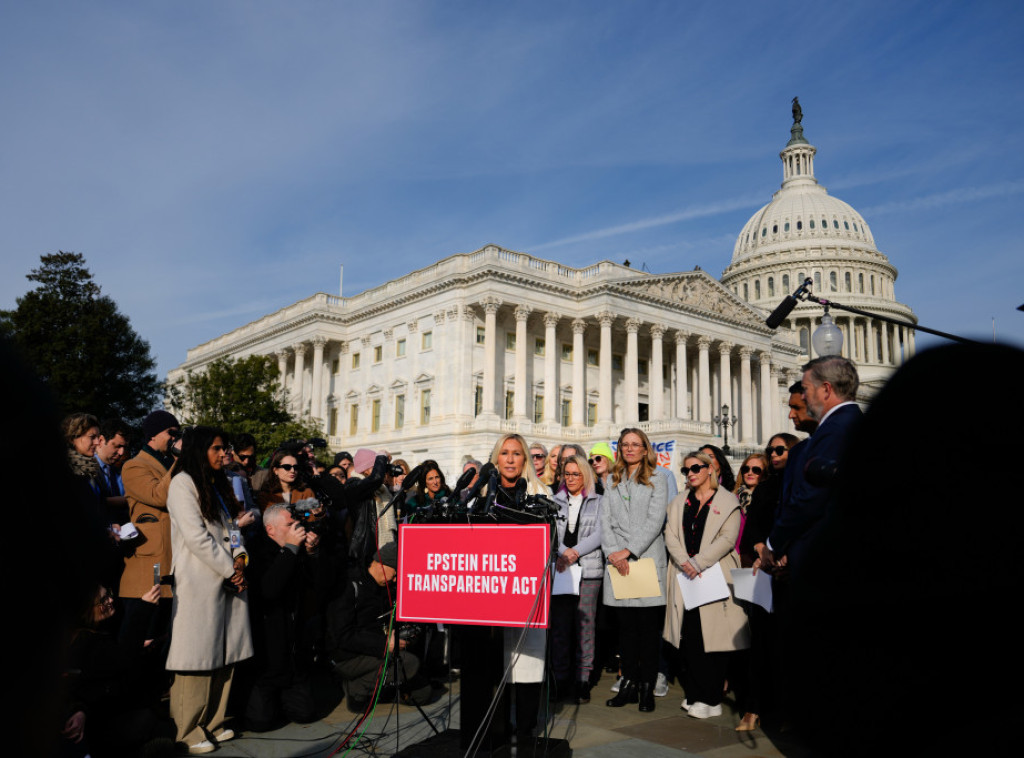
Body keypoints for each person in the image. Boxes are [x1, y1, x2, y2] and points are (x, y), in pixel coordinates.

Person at [165, 426, 254, 755]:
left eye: (223, 448)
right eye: (216, 448)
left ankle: (213, 722)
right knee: (197, 659)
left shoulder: (216, 483)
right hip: (199, 582)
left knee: (226, 656)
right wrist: (231, 569)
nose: (222, 453)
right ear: (199, 449)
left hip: (228, 579)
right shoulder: (182, 483)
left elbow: (233, 527)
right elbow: (196, 537)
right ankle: (188, 731)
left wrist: (240, 558)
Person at [664, 450, 749, 719]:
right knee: (689, 637)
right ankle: (694, 694)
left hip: (714, 575)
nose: (690, 474)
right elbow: (670, 535)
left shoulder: (727, 500)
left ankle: (711, 699)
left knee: (713, 639)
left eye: (696, 468)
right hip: (685, 576)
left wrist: (699, 562)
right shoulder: (679, 501)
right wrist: (685, 561)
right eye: (686, 470)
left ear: (710, 469)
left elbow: (728, 538)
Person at [763, 357, 862, 573]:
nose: (803, 397)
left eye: (806, 389)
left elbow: (811, 496)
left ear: (826, 389)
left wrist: (774, 543)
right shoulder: (851, 422)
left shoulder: (836, 429)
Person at [486, 433, 551, 736]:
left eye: (516, 453)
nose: (510, 459)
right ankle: (497, 727)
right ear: (496, 458)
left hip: (528, 591)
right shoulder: (484, 494)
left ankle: (526, 728)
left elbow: (551, 541)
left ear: (525, 458)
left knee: (527, 662)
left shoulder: (541, 492)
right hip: (493, 591)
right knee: (495, 663)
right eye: (504, 453)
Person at [601, 427, 668, 712]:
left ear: (644, 449)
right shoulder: (611, 480)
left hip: (646, 560)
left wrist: (628, 551)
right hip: (618, 563)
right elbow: (605, 521)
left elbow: (655, 520)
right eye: (625, 444)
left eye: (635, 444)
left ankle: (646, 687)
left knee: (648, 632)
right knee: (626, 632)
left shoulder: (658, 478)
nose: (629, 449)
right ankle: (628, 683)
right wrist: (613, 553)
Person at [734, 432, 797, 732]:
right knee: (760, 642)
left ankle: (785, 711)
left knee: (788, 646)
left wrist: (788, 555)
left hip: (792, 571)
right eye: (770, 449)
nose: (773, 454)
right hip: (765, 570)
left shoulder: (801, 484)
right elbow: (752, 529)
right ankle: (753, 707)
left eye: (780, 449)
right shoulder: (766, 487)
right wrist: (763, 549)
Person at [244, 504, 326, 731]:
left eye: (296, 524)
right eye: (289, 525)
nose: (295, 529)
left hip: (293, 650)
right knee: (260, 722)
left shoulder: (296, 550)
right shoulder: (256, 550)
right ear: (270, 529)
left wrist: (311, 553)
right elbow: (269, 590)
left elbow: (316, 585)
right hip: (266, 653)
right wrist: (289, 549)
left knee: (305, 713)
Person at [327, 541, 433, 712]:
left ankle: (379, 689)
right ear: (381, 564)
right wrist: (384, 644)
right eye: (395, 573)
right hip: (349, 656)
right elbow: (342, 636)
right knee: (410, 663)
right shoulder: (348, 585)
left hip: (377, 651)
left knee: (422, 693)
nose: (396, 579)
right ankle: (358, 690)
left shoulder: (387, 587)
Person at [120, 410, 181, 637]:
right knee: (145, 641)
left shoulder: (170, 463)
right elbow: (159, 496)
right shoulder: (134, 465)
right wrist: (180, 460)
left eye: (178, 433)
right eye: (171, 432)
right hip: (149, 572)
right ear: (153, 435)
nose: (175, 438)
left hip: (174, 567)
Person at [551, 454, 603, 704]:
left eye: (576, 474)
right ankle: (560, 679)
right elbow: (550, 532)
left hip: (589, 571)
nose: (570, 478)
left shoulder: (599, 501)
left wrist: (575, 552)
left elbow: (601, 533)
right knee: (560, 628)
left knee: (585, 629)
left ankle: (583, 680)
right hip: (562, 571)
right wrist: (563, 553)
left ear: (585, 475)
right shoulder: (554, 501)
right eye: (567, 474)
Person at [733, 453, 769, 555]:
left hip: (762, 556)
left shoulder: (770, 500)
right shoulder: (732, 499)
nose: (750, 473)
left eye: (756, 470)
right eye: (746, 469)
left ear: (765, 473)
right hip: (736, 556)